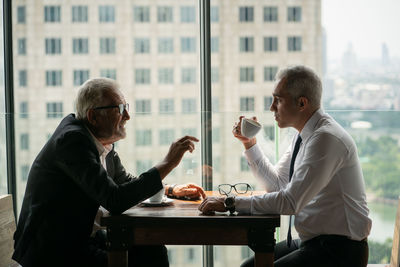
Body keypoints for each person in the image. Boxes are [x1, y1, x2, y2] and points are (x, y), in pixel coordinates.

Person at [13, 77, 206, 267]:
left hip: (80, 238)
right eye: (120, 109)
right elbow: (115, 200)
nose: (128, 116)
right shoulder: (72, 141)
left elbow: (123, 182)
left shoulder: (100, 140)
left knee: (152, 249)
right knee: (143, 257)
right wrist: (167, 163)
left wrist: (170, 189)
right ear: (93, 117)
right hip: (54, 251)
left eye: (126, 107)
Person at [198, 65, 372, 267]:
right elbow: (278, 184)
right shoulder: (304, 135)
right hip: (315, 242)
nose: (272, 107)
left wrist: (230, 203)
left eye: (278, 100)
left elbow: (290, 202)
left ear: (302, 103)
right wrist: (249, 143)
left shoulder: (325, 138)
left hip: (340, 251)